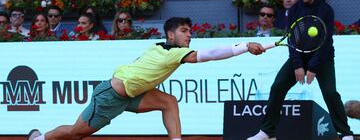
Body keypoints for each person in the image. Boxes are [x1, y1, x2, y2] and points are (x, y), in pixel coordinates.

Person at [27, 17, 266, 140]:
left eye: (190, 32)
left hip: (133, 94)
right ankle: (39, 138)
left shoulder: (161, 47)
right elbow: (211, 55)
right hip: (111, 96)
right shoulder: (171, 52)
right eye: (184, 31)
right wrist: (245, 46)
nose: (189, 36)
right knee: (76, 133)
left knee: (169, 102)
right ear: (170, 34)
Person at [247, 0, 354, 140]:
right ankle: (268, 131)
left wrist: (312, 68)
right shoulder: (295, 10)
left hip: (322, 57)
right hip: (299, 55)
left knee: (330, 93)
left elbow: (325, 42)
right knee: (277, 87)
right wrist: (298, 65)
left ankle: (346, 133)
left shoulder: (326, 10)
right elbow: (292, 39)